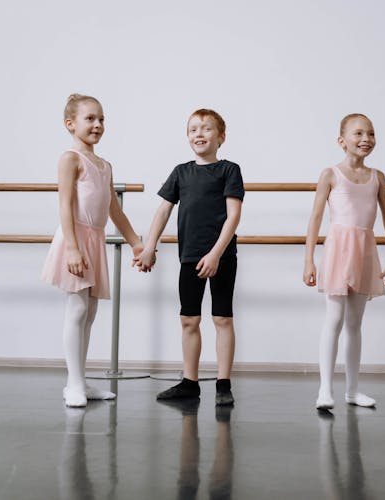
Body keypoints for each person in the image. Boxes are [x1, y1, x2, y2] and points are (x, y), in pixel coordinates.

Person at [134, 109, 244, 406]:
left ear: (221, 137)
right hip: (189, 258)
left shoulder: (228, 170)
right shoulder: (181, 172)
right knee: (188, 319)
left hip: (222, 257)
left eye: (207, 129)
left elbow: (233, 216)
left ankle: (223, 384)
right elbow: (163, 211)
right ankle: (189, 381)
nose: (199, 133)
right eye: (193, 129)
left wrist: (215, 254)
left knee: (222, 318)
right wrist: (149, 246)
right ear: (187, 136)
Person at [42, 94, 144, 408]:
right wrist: (72, 248)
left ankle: (81, 380)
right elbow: (64, 205)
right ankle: (72, 383)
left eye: (101, 119)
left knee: (90, 314)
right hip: (75, 238)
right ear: (70, 124)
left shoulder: (104, 165)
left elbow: (115, 211)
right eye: (90, 119)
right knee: (77, 310)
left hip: (94, 240)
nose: (97, 125)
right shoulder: (70, 158)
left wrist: (136, 243)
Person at [303, 113, 385, 411]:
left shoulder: (377, 177)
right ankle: (325, 390)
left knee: (356, 323)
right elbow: (316, 218)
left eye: (370, 133)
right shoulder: (330, 174)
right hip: (338, 249)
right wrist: (309, 260)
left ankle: (353, 390)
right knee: (334, 319)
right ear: (341, 140)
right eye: (358, 133)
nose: (366, 139)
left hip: (365, 248)